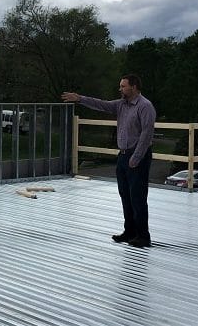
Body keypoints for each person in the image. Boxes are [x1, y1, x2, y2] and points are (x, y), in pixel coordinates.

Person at [62, 74, 156, 248]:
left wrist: (136, 157)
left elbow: (146, 134)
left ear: (134, 87)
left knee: (138, 197)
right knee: (125, 196)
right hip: (123, 155)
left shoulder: (145, 106)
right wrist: (80, 99)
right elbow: (102, 104)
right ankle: (130, 232)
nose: (120, 89)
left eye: (123, 86)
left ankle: (143, 236)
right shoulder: (122, 105)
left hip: (138, 156)